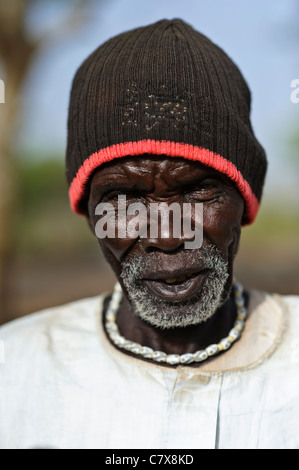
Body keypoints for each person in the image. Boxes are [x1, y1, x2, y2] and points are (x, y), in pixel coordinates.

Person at [0, 18, 298, 450]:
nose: (169, 236)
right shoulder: (16, 370)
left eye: (197, 190)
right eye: (123, 199)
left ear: (245, 202)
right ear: (86, 211)